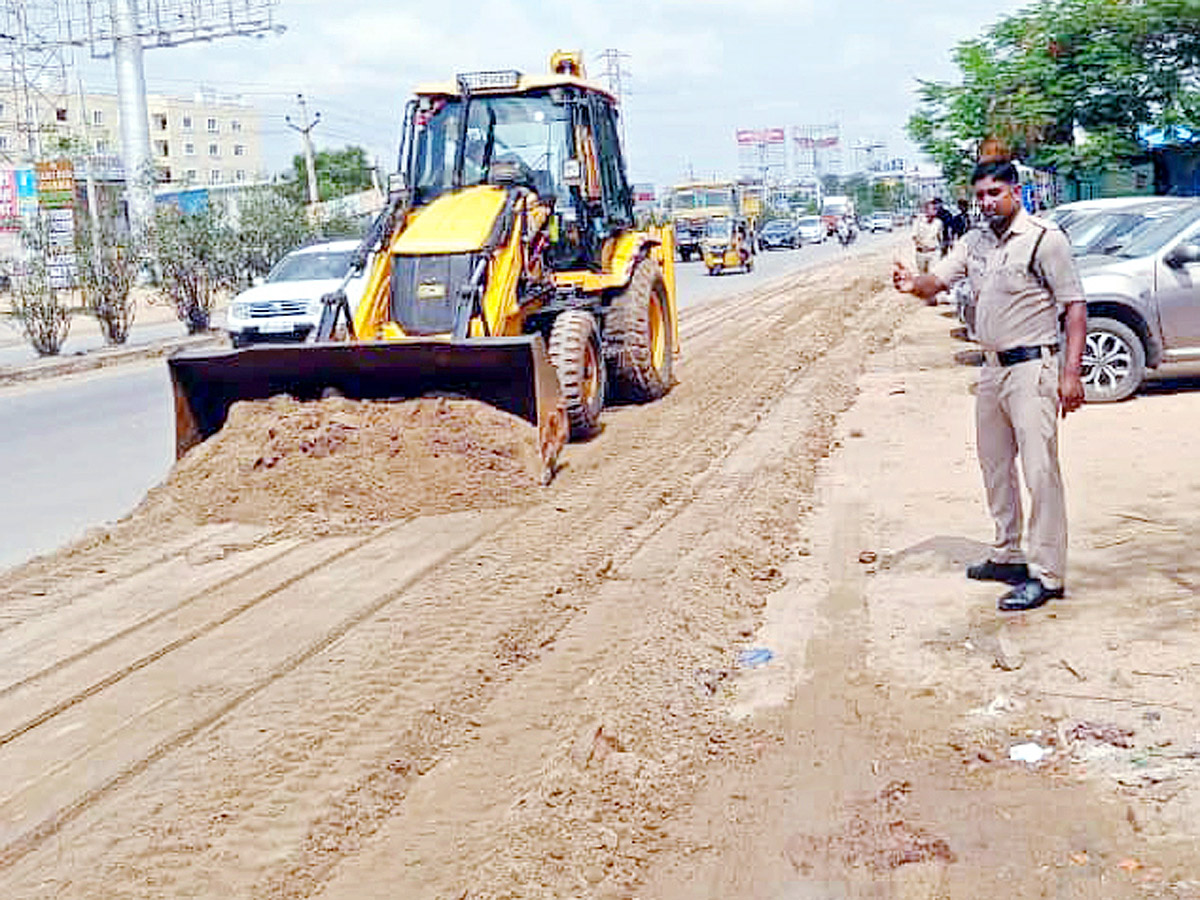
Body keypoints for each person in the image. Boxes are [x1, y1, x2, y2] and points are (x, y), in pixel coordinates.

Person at [892, 159, 1087, 612]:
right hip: (992, 369)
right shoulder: (974, 242)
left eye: (994, 193)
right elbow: (933, 282)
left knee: (1040, 471)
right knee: (995, 465)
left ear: (1014, 193)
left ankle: (1048, 573)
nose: (986, 202)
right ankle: (1008, 554)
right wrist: (909, 282)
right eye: (980, 194)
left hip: (1033, 368)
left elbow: (1075, 307)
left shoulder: (1043, 239)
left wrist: (1070, 373)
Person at [911, 200, 943, 274]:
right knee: (923, 275)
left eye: (936, 209)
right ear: (926, 210)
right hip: (921, 253)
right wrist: (922, 245)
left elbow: (939, 237)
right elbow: (914, 237)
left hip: (933, 253)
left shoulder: (938, 223)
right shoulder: (918, 222)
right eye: (933, 209)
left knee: (932, 274)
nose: (935, 211)